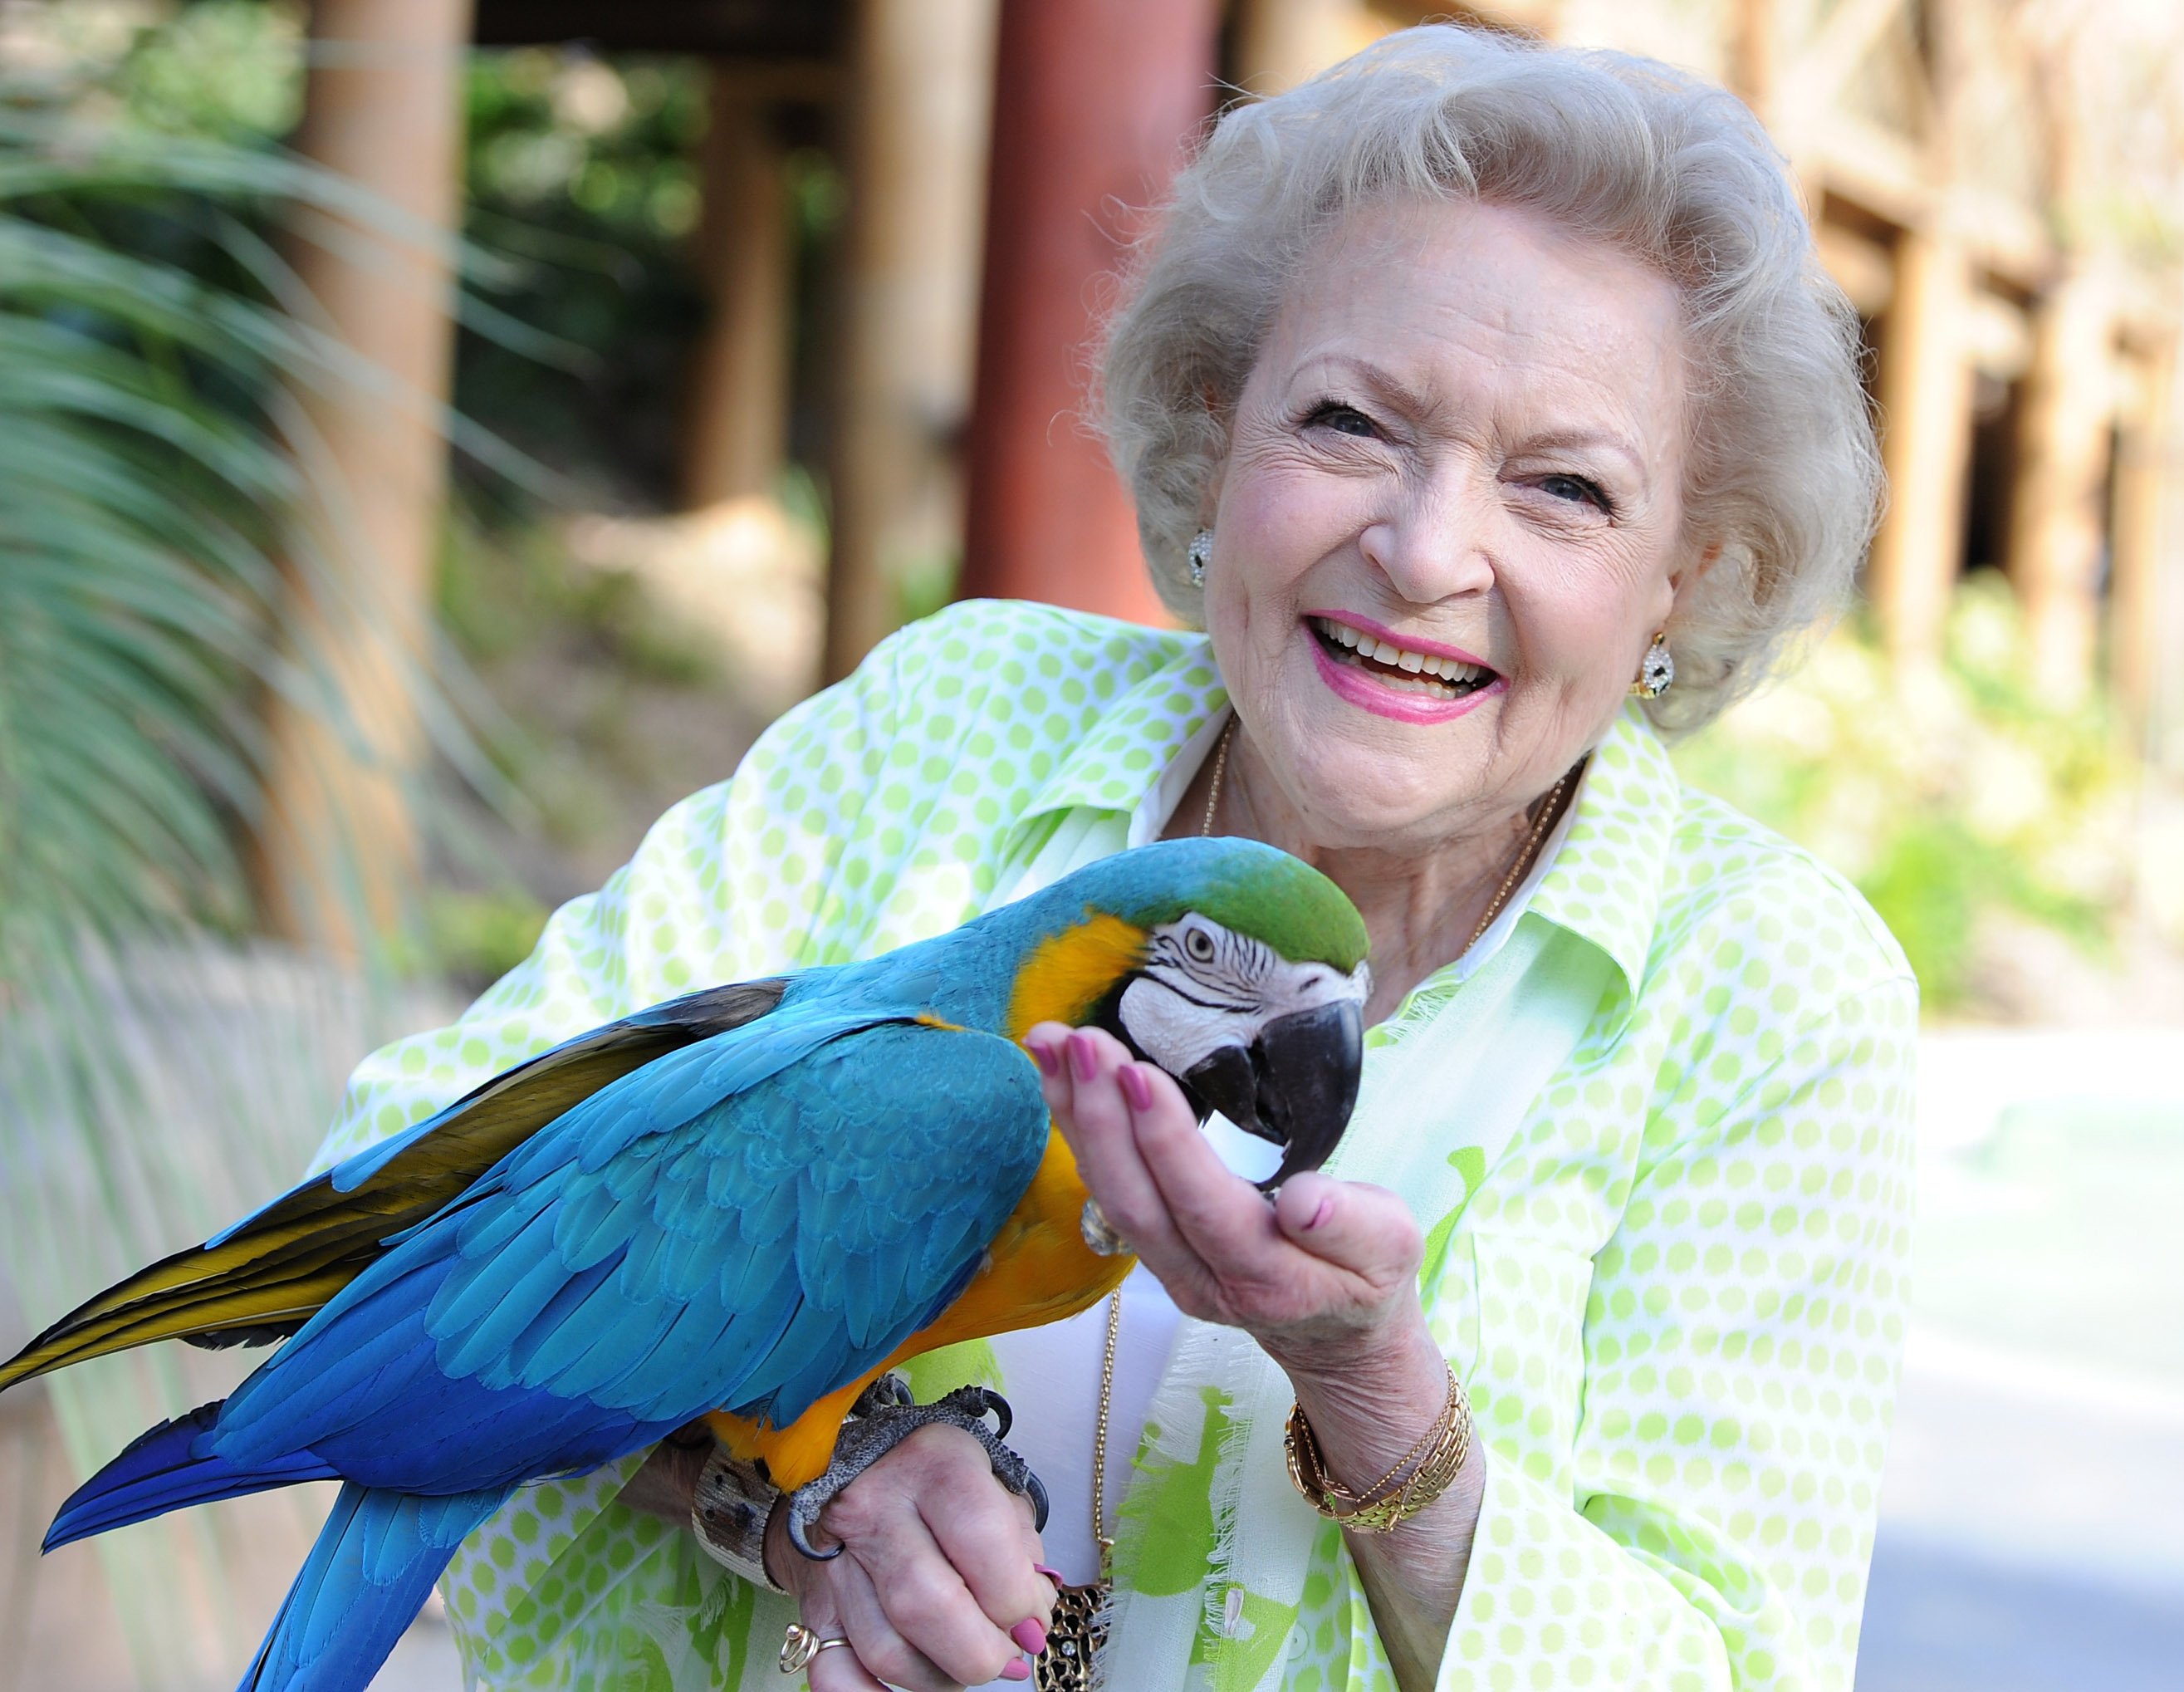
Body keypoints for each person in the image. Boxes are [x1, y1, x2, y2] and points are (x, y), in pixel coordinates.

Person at [310, 23, 1915, 1692]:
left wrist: (1381, 1406)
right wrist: (796, 1494)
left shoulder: (1770, 990)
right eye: (1353, 423)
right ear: (1220, 431)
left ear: (1686, 576)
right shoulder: (959, 726)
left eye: (1567, 487)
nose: (1428, 550)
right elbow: (403, 1186)